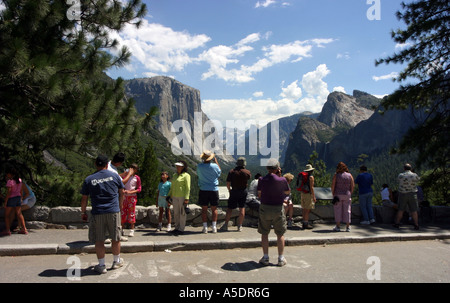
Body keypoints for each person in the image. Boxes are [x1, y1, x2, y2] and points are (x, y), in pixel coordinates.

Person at [80, 155, 125, 274]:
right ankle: (116, 261)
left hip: (98, 212)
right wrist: (120, 206)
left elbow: (84, 198)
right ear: (107, 165)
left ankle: (101, 265)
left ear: (96, 164)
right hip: (113, 211)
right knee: (115, 238)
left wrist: (83, 212)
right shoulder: (115, 176)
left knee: (99, 240)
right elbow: (122, 192)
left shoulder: (89, 179)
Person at [257, 158, 290, 267]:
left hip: (265, 207)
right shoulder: (282, 180)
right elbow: (287, 192)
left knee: (264, 233)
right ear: (277, 169)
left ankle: (265, 257)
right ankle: (281, 259)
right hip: (277, 208)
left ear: (267, 168)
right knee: (280, 233)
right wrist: (280, 177)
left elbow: (259, 194)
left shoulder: (262, 179)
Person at [221, 157, 251, 232]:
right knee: (242, 208)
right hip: (243, 191)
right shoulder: (247, 172)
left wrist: (229, 190)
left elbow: (228, 183)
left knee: (230, 208)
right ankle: (239, 226)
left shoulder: (231, 172)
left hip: (234, 191)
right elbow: (248, 179)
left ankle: (226, 225)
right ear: (244, 164)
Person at [197, 150, 221, 234]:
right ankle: (214, 227)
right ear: (211, 158)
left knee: (204, 209)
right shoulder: (215, 166)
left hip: (203, 189)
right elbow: (219, 173)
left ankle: (205, 227)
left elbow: (198, 175)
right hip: (213, 189)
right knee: (214, 209)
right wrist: (216, 162)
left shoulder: (199, 166)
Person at [393, 163, 420, 230]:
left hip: (403, 193)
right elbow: (418, 180)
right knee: (414, 210)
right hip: (412, 193)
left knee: (401, 209)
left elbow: (398, 181)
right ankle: (416, 224)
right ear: (410, 168)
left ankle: (397, 223)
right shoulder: (414, 175)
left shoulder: (401, 175)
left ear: (404, 168)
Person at [2, 167, 28, 236]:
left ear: (10, 174)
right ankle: (24, 228)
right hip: (18, 197)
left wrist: (6, 201)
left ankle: (7, 230)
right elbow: (21, 190)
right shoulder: (19, 180)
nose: (7, 175)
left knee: (7, 215)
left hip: (12, 198)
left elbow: (9, 192)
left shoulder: (10, 181)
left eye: (7, 174)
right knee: (19, 213)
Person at [168, 160, 191, 235]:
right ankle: (176, 227)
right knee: (176, 212)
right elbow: (172, 186)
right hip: (174, 196)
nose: (177, 167)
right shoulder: (175, 175)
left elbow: (188, 187)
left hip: (182, 196)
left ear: (183, 167)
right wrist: (169, 195)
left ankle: (181, 229)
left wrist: (187, 198)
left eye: (179, 166)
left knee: (182, 213)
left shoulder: (186, 175)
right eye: (177, 166)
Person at [331, 162, 354, 232]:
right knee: (347, 210)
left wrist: (333, 193)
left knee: (338, 210)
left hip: (338, 195)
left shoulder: (336, 175)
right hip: (347, 194)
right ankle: (348, 226)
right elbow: (352, 185)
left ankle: (338, 226)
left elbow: (333, 185)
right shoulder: (350, 175)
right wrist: (350, 193)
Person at [121, 163, 141, 237]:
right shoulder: (125, 176)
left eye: (134, 168)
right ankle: (121, 229)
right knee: (122, 212)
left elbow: (139, 189)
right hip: (124, 196)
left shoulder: (137, 178)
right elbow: (121, 184)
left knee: (131, 213)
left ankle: (132, 229)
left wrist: (131, 191)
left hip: (132, 197)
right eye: (131, 168)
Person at [298, 164, 316, 230]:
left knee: (304, 208)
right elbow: (312, 187)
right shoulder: (311, 177)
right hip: (308, 194)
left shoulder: (303, 176)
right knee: (307, 209)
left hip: (303, 193)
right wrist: (314, 196)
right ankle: (306, 224)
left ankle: (303, 222)